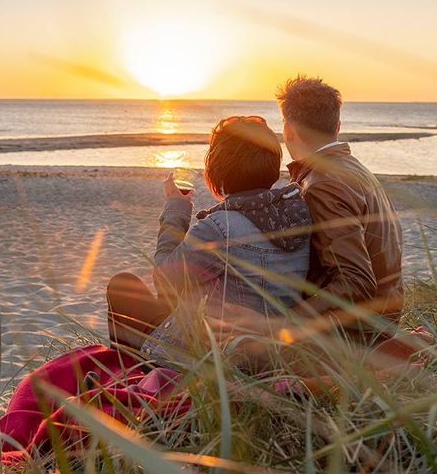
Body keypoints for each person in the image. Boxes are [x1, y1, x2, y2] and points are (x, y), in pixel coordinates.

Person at [209, 76, 404, 349]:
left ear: (288, 130)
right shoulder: (354, 169)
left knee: (225, 348)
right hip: (379, 324)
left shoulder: (324, 185)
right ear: (337, 126)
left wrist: (279, 325)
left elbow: (356, 281)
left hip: (354, 337)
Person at [106, 115, 312, 366]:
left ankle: (133, 379)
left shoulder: (220, 227)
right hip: (271, 353)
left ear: (218, 170)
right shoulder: (298, 213)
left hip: (215, 357)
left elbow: (164, 280)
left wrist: (176, 209)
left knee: (122, 285)